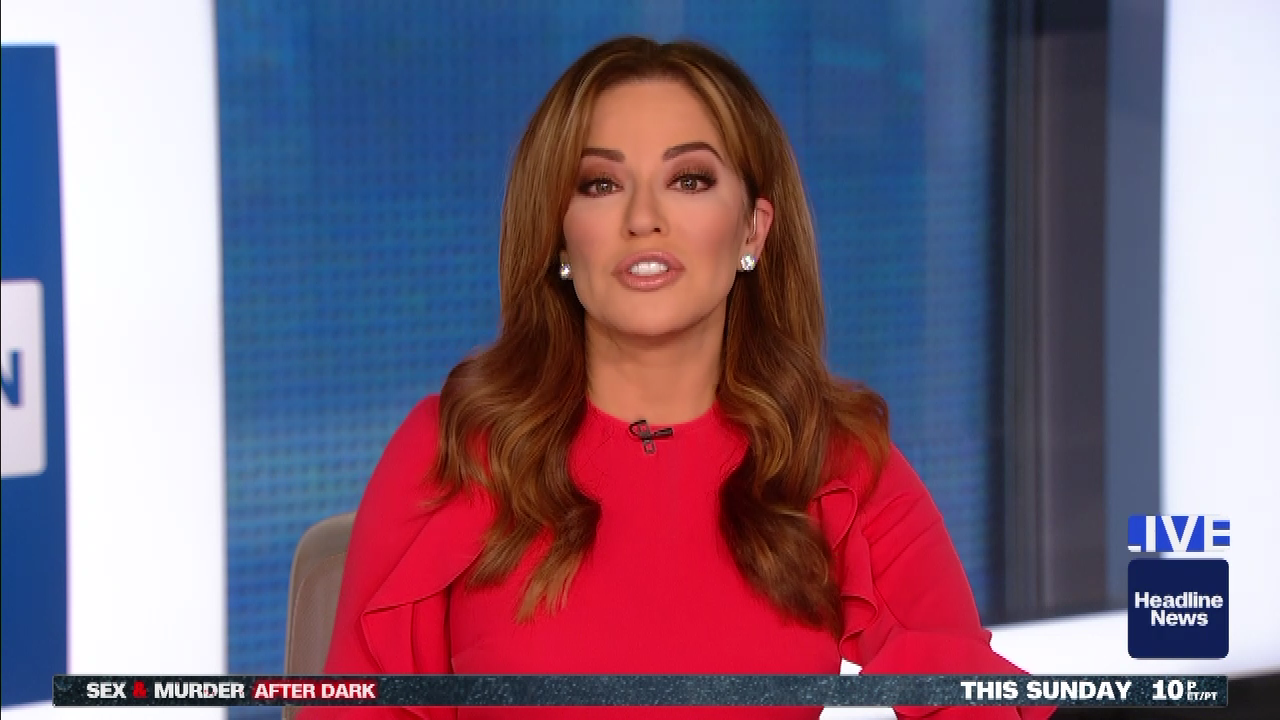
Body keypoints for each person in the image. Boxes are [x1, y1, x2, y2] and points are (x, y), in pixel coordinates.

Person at [301, 36, 1054, 720]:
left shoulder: (833, 460)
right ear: (560, 236)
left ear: (754, 228)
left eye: (689, 179)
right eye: (600, 184)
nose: (643, 218)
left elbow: (974, 699)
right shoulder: (453, 448)